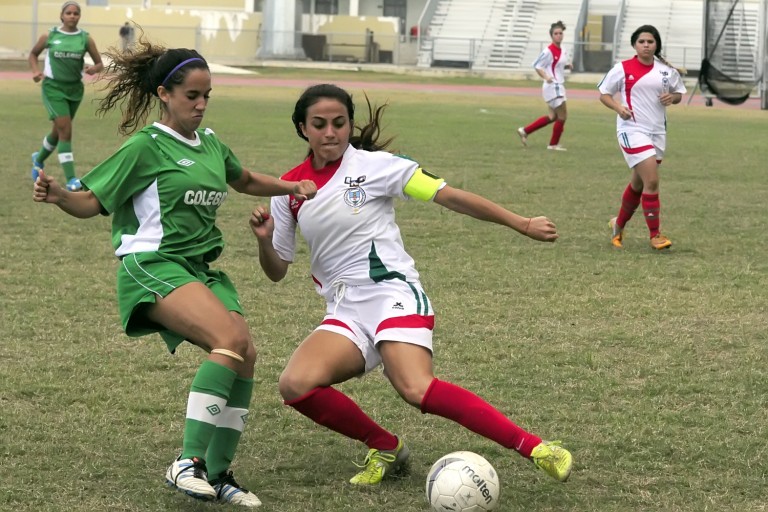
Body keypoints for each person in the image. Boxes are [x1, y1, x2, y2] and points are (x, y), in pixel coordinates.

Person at [33, 38, 317, 508]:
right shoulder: (145, 147)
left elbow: (242, 180)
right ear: (165, 94)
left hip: (200, 270)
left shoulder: (209, 143)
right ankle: (186, 462)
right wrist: (61, 195)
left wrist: (292, 185)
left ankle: (219, 474)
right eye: (193, 96)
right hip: (152, 265)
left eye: (207, 96)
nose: (202, 104)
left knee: (244, 354)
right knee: (228, 340)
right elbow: (93, 202)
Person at [249, 83, 573, 487]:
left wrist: (520, 223)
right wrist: (265, 240)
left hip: (392, 295)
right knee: (294, 384)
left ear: (350, 126)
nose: (330, 132)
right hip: (346, 309)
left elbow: (450, 197)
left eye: (339, 123)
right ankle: (384, 445)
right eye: (319, 124)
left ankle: (537, 448)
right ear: (302, 129)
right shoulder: (289, 189)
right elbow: (277, 269)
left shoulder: (379, 167)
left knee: (415, 388)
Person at [598, 24, 686, 250]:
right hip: (632, 130)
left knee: (638, 184)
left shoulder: (665, 70)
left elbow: (678, 94)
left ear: (657, 45)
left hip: (657, 132)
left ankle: (618, 226)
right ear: (634, 45)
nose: (646, 45)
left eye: (650, 42)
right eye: (641, 42)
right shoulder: (623, 68)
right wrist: (618, 108)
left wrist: (672, 98)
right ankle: (655, 235)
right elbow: (604, 94)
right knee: (652, 180)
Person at [28, 1, 103, 192]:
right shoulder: (50, 35)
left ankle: (39, 159)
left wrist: (94, 68)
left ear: (79, 16)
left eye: (76, 13)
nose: (72, 16)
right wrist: (36, 71)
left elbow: (99, 63)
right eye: (68, 13)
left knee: (58, 130)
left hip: (75, 91)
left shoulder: (85, 38)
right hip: (53, 88)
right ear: (62, 15)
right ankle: (71, 179)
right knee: (65, 130)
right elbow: (33, 54)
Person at [517, 21, 572, 151]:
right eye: (556, 33)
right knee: (563, 116)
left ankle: (525, 131)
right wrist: (546, 77)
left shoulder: (562, 49)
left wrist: (567, 66)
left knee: (553, 117)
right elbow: (536, 65)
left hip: (557, 85)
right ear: (551, 36)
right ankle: (553, 144)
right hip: (554, 86)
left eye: (560, 33)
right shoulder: (548, 51)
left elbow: (555, 65)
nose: (558, 35)